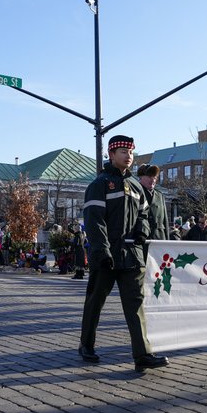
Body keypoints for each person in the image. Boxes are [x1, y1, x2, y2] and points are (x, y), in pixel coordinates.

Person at [78, 135, 167, 372]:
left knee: (136, 305)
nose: (129, 157)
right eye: (123, 152)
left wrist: (142, 232)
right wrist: (102, 250)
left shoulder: (137, 186)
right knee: (95, 302)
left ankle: (143, 354)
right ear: (111, 154)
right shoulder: (99, 184)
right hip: (105, 256)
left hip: (132, 255)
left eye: (131, 153)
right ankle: (86, 345)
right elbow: (94, 222)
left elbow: (144, 215)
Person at [137, 165, 170, 243]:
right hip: (141, 240)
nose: (153, 180)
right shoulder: (135, 193)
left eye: (155, 177)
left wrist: (168, 242)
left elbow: (165, 221)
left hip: (159, 240)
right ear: (141, 177)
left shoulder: (160, 195)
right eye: (149, 177)